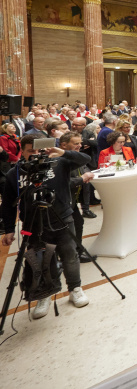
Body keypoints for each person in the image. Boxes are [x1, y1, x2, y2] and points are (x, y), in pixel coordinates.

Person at [1, 134, 91, 319]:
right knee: (42, 260)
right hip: (34, 224)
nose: (35, 154)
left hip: (62, 218)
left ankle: (75, 288)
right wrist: (9, 228)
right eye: (30, 151)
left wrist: (62, 152)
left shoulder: (59, 164)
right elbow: (8, 203)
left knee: (70, 256)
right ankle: (45, 295)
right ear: (22, 152)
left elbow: (85, 159)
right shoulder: (15, 173)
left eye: (39, 150)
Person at [60, 131, 96, 263]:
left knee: (78, 223)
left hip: (73, 200)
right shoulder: (60, 161)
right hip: (63, 202)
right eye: (76, 143)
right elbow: (64, 183)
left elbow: (84, 166)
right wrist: (81, 179)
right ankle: (70, 256)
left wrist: (86, 173)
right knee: (67, 230)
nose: (79, 146)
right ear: (64, 145)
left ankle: (78, 252)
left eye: (80, 143)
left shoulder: (76, 157)